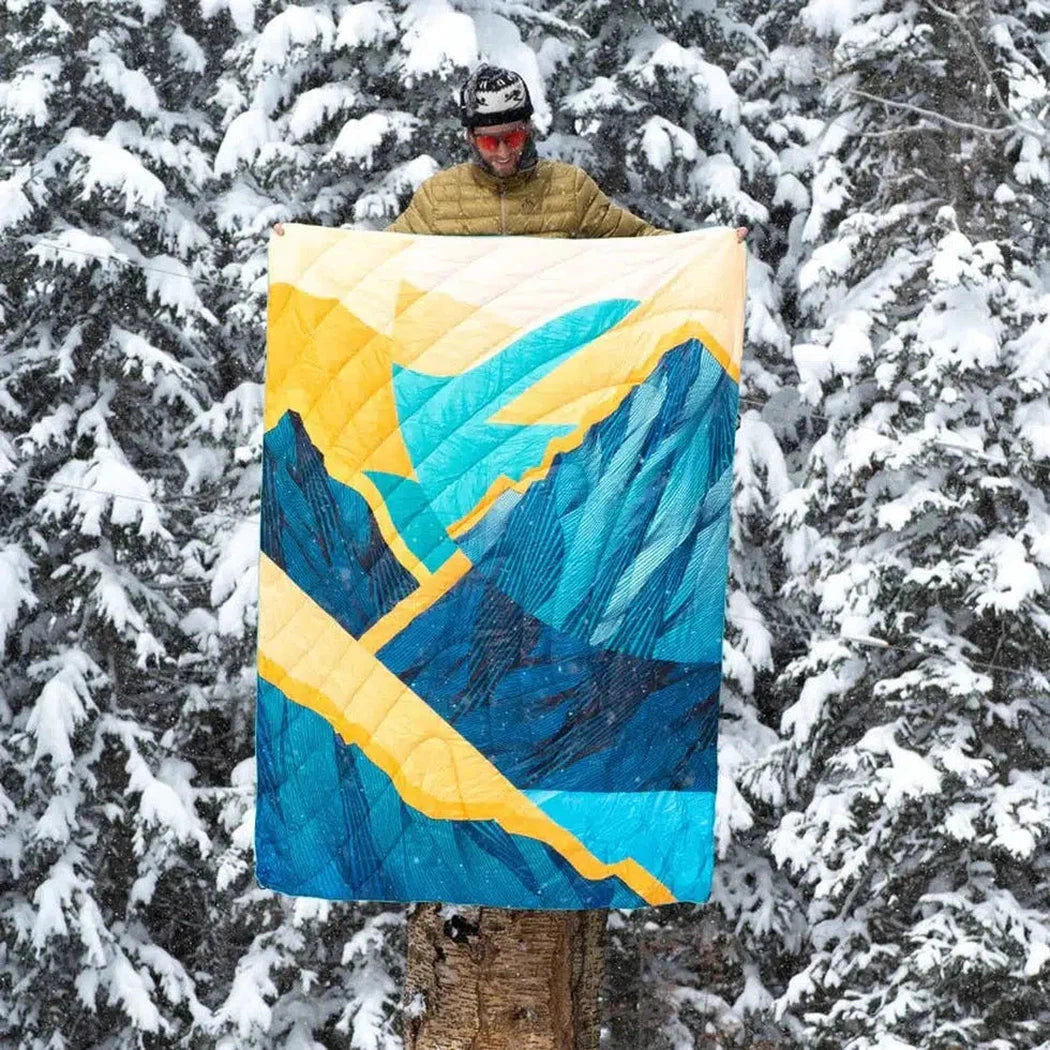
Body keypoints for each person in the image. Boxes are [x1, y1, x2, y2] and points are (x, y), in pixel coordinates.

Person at [275, 64, 748, 242]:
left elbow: (644, 243)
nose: (502, 152)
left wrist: (712, 249)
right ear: (470, 139)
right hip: (468, 371)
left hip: (550, 366)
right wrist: (303, 248)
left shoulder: (570, 189)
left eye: (513, 137)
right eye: (488, 140)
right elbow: (377, 259)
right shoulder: (439, 198)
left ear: (529, 131)